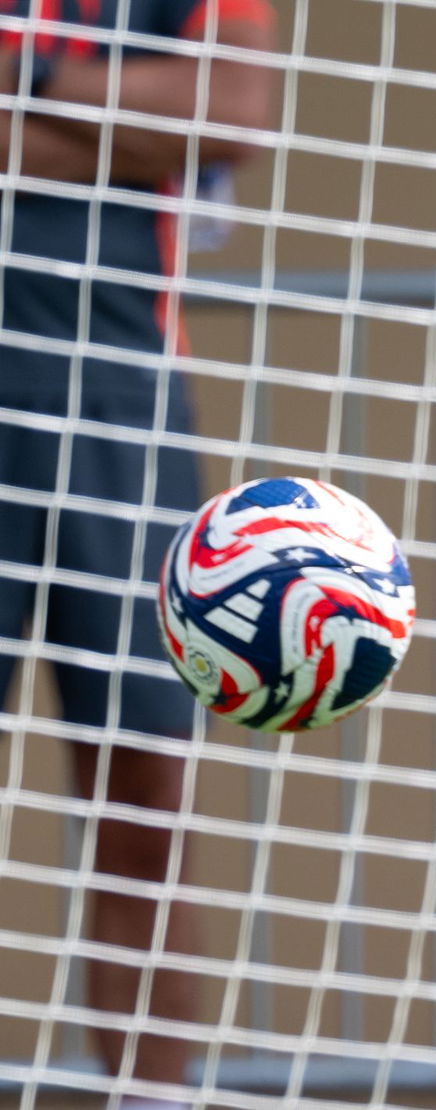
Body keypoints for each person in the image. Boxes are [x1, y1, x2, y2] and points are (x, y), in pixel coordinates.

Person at [0, 2, 274, 1106]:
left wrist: (26, 83)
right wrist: (122, 119)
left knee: (145, 803)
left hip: (123, 395)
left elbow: (229, 110)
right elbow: (170, 120)